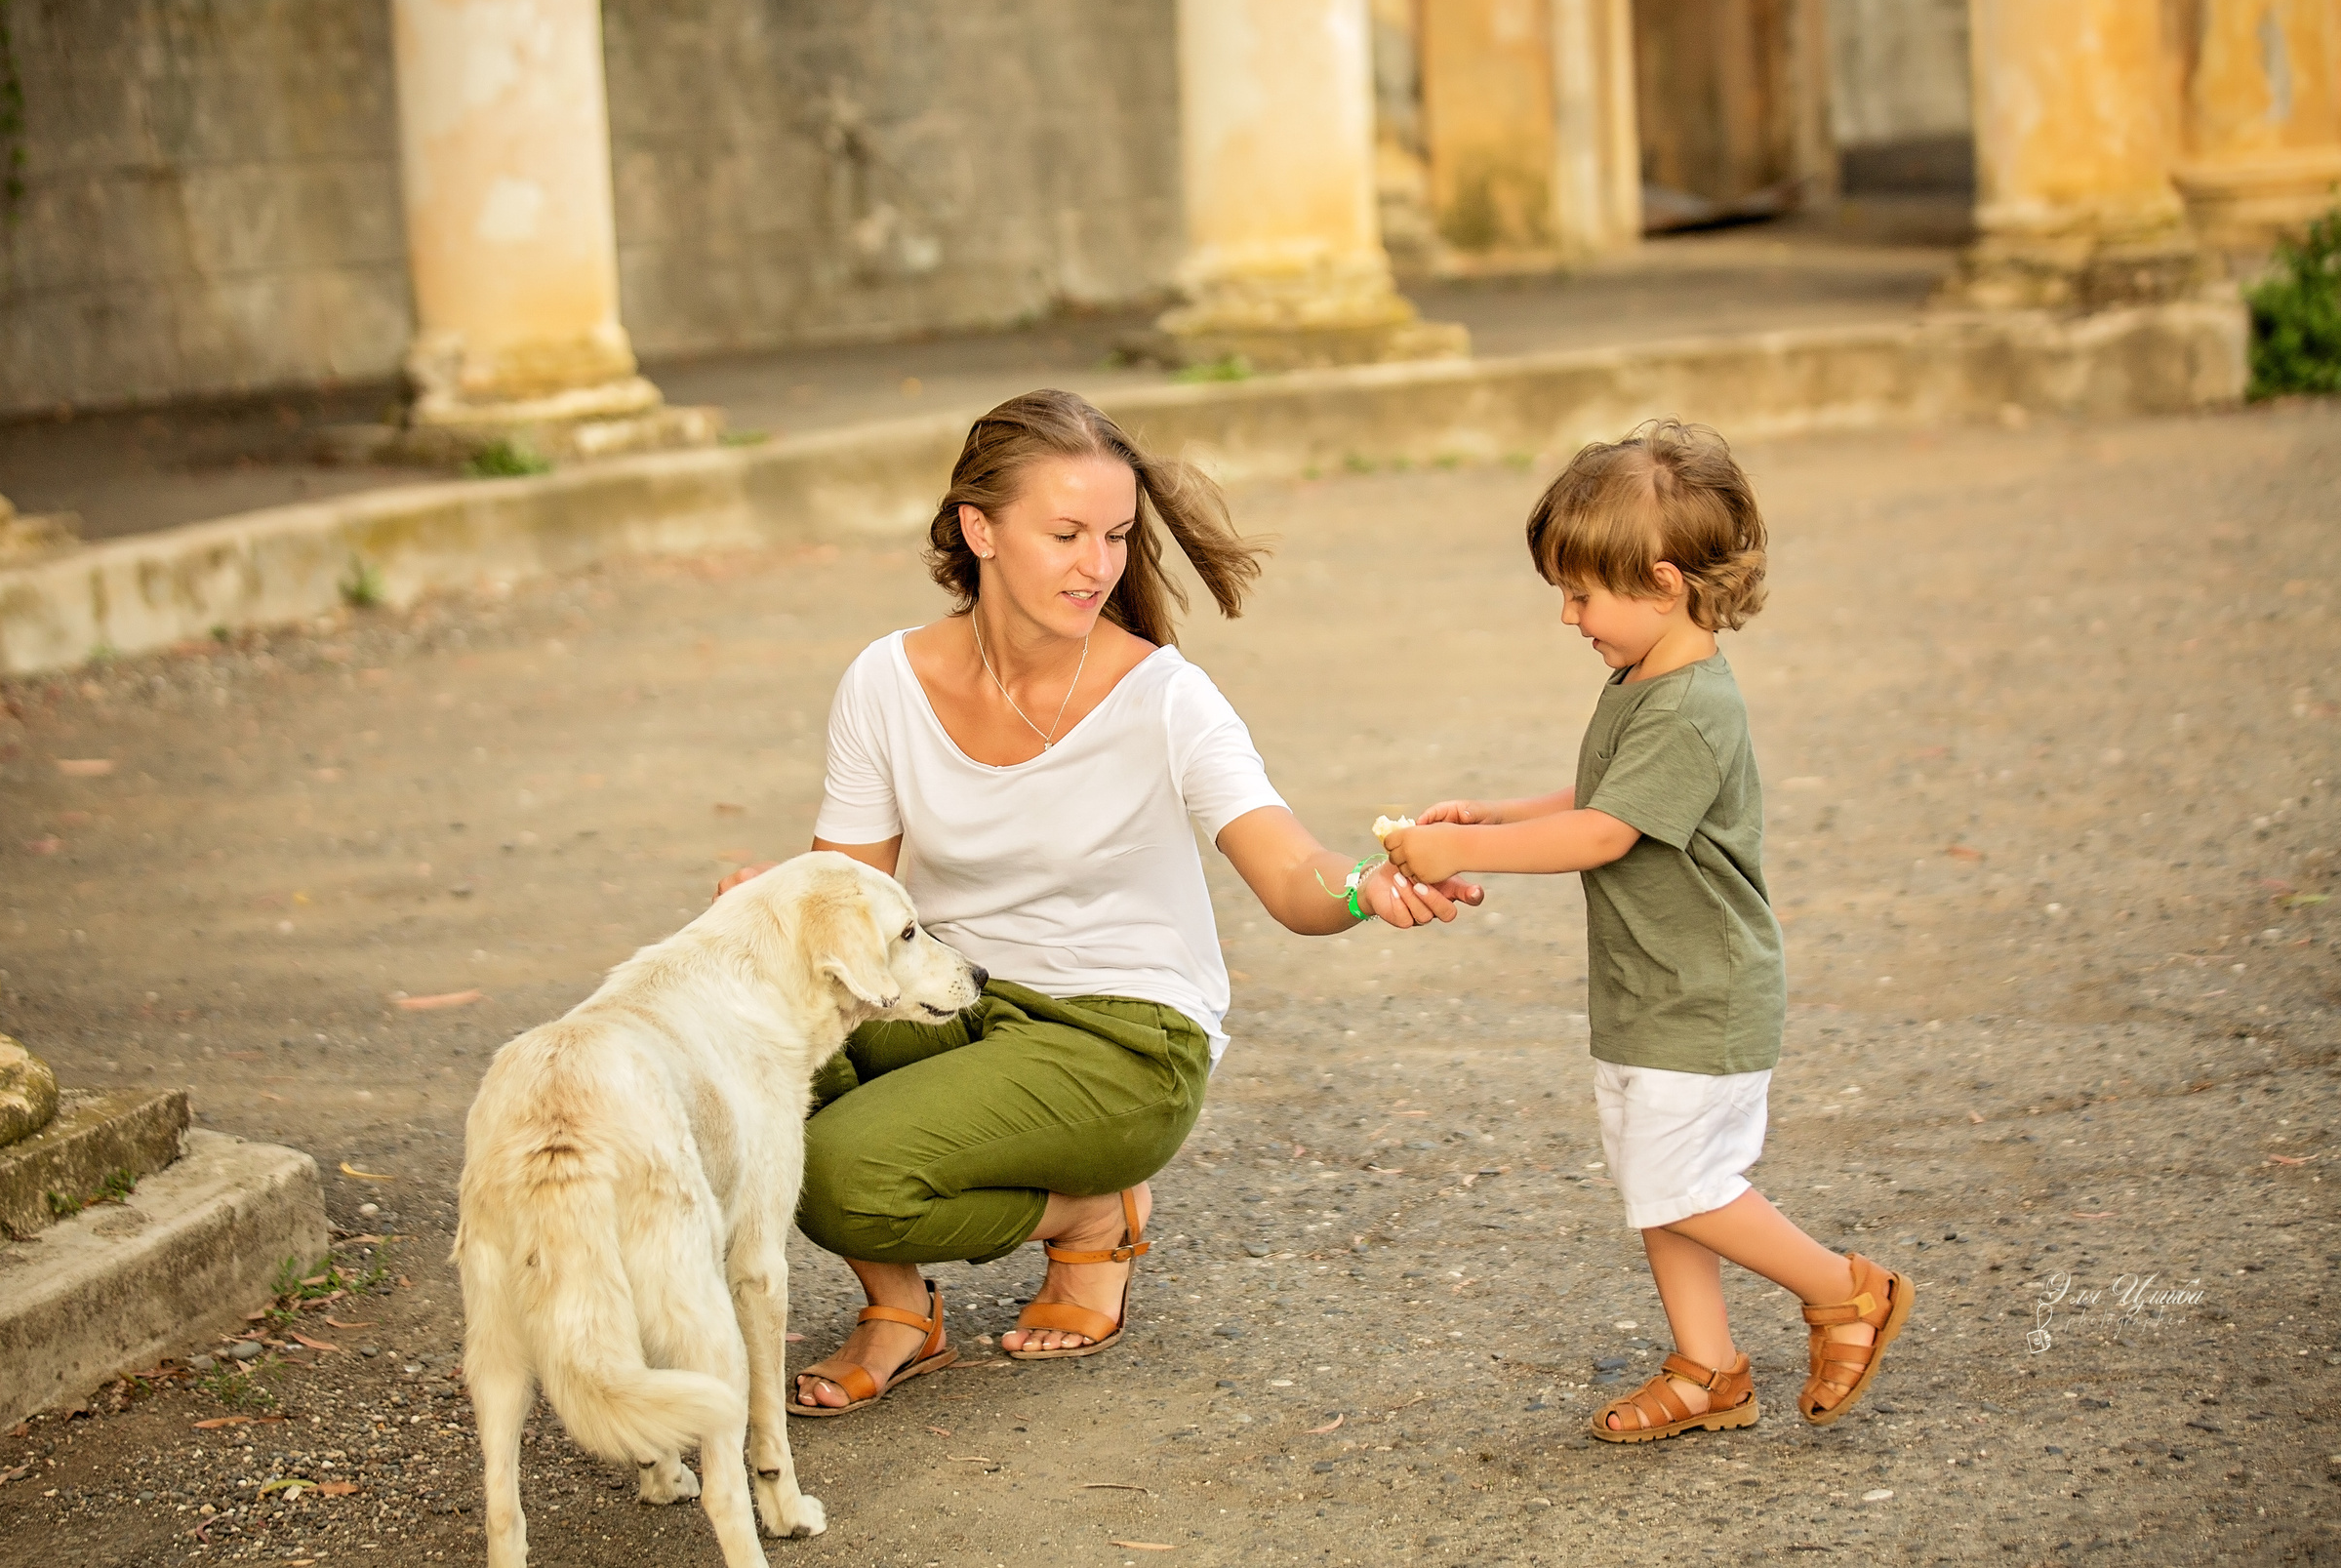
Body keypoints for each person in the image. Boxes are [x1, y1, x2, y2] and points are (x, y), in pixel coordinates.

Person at [714, 388, 1483, 1417]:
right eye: (1066, 533)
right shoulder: (884, 682)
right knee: (754, 1060)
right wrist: (765, 905)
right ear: (978, 530)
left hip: (1116, 1034)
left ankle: (1089, 1218)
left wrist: (1362, 889)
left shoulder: (1165, 698)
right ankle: (900, 1311)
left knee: (842, 1178)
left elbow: (1286, 867)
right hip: (947, 999)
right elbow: (845, 903)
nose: (1098, 565)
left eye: (1117, 536)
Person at [1381, 420, 1913, 1442]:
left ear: (1663, 582)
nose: (1568, 616)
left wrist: (1468, 857)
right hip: (1646, 988)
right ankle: (1708, 1370)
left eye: (1581, 593)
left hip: (1699, 991)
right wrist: (1495, 814)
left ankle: (1848, 1291)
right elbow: (1598, 791)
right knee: (1655, 1187)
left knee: (1684, 1182)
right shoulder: (1644, 679)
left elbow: (1607, 830)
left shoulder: (1691, 705)